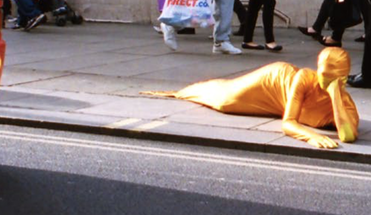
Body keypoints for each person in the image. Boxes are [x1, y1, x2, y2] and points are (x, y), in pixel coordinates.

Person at [144, 47, 358, 149]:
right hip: (274, 80)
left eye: (331, 77)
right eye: (322, 73)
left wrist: (334, 93)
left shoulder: (346, 105)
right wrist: (310, 136)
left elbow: (347, 136)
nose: (323, 80)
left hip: (277, 101)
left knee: (225, 97)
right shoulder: (304, 78)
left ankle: (186, 91)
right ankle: (184, 92)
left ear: (343, 78)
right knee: (225, 99)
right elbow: (288, 123)